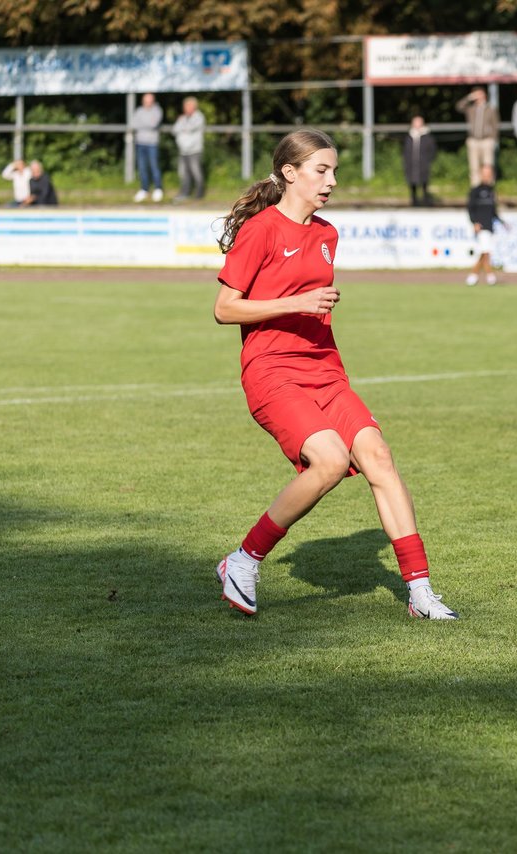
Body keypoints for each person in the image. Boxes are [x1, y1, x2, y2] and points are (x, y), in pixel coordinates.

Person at [213, 128, 458, 620]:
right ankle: (242, 561)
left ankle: (420, 591)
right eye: (321, 170)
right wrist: (297, 302)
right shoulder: (261, 230)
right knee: (328, 460)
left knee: (378, 456)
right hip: (271, 370)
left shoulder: (327, 234)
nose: (331, 181)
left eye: (334, 171)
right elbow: (224, 309)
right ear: (290, 173)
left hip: (326, 370)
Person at [466, 163, 502, 286]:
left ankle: (474, 276)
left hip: (490, 226)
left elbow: (493, 211)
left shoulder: (492, 191)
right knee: (485, 252)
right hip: (481, 227)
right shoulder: (475, 191)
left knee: (485, 252)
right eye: (485, 173)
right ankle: (489, 276)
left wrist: (502, 222)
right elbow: (470, 209)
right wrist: (474, 222)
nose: (487, 176)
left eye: (489, 173)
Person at [456, 86, 499, 188]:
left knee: (488, 165)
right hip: (473, 140)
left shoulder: (491, 109)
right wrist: (469, 97)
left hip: (487, 140)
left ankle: (488, 187)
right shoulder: (471, 109)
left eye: (479, 94)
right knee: (474, 166)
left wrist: (493, 139)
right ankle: (475, 188)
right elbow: (459, 106)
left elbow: (495, 125)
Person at [172, 96, 206, 203]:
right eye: (185, 106)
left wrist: (182, 128)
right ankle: (185, 192)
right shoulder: (182, 118)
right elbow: (175, 130)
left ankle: (200, 192)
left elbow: (190, 128)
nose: (186, 108)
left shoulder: (199, 117)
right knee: (184, 173)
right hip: (183, 150)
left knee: (196, 172)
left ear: (194, 106)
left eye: (188, 106)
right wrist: (183, 127)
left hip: (194, 150)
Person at [131, 92, 164, 202]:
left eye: (149, 100)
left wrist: (142, 124)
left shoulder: (157, 110)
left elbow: (153, 124)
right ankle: (144, 189)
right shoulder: (139, 110)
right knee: (142, 167)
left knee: (154, 166)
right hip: (140, 142)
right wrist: (146, 124)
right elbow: (133, 124)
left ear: (153, 101)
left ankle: (158, 188)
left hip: (152, 143)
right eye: (145, 100)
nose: (147, 102)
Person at [401, 114, 437, 207]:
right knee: (412, 181)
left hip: (423, 163)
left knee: (424, 181)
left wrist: (428, 160)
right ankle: (414, 199)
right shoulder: (409, 137)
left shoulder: (427, 137)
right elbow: (405, 150)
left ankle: (425, 199)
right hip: (411, 163)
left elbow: (432, 150)